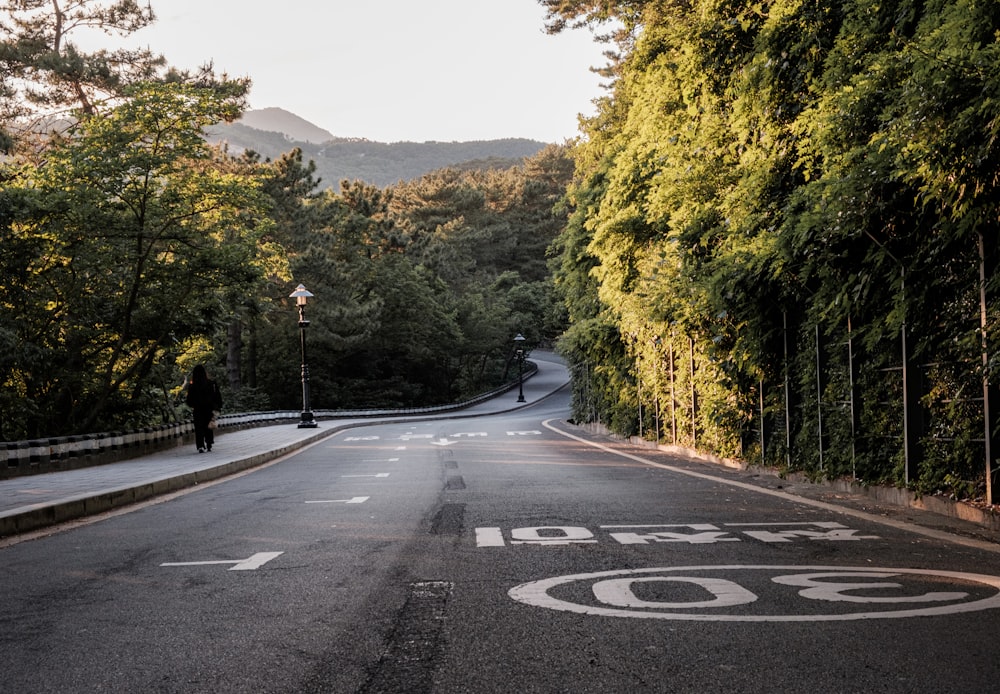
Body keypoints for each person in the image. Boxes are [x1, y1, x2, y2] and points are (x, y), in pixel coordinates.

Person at [185, 365, 222, 453]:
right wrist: (217, 407)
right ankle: (209, 443)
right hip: (209, 409)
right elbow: (217, 397)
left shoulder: (192, 386)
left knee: (199, 427)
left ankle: (200, 445)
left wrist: (193, 404)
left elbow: (189, 399)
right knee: (208, 426)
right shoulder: (211, 384)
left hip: (198, 409)